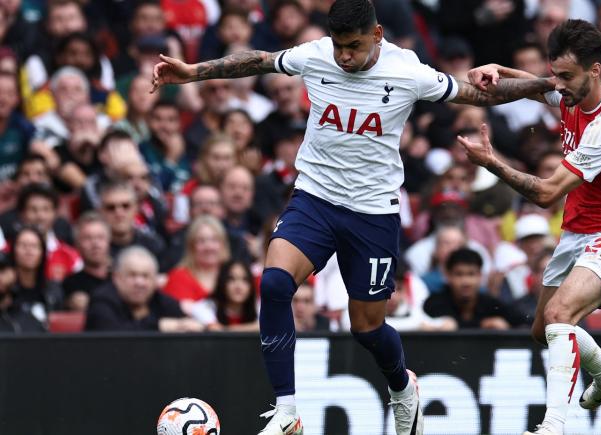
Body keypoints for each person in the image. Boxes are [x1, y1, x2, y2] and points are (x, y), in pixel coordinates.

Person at [151, 0, 554, 433]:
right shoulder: (317, 55)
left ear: (377, 35)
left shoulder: (408, 72)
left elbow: (477, 93)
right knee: (273, 283)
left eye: (354, 46)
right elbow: (259, 61)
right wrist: (194, 71)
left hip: (372, 213)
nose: (344, 56)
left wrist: (547, 84)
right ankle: (287, 411)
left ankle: (403, 388)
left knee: (365, 328)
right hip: (315, 198)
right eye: (339, 45)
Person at [462, 19, 601, 435]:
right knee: (543, 330)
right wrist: (499, 70)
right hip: (578, 231)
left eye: (566, 76)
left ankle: (553, 427)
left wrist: (493, 164)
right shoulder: (571, 91)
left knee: (561, 315)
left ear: (595, 70)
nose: (558, 84)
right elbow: (531, 85)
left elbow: (547, 193)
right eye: (556, 74)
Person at [85, 246, 203, 332]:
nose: (139, 282)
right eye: (132, 275)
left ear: (154, 281)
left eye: (146, 276)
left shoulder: (158, 299)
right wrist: (158, 326)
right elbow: (113, 336)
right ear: (116, 277)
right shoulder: (101, 300)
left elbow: (185, 321)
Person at [423, 247, 527, 329]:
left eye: (471, 274)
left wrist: (507, 327)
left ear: (480, 276)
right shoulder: (434, 304)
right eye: (459, 274)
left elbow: (525, 323)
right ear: (447, 276)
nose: (466, 282)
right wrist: (482, 325)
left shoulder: (491, 304)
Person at [62, 212, 111, 312]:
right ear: (77, 245)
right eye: (87, 238)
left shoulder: (122, 279)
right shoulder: (70, 285)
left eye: (100, 237)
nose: (95, 244)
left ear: (109, 241)